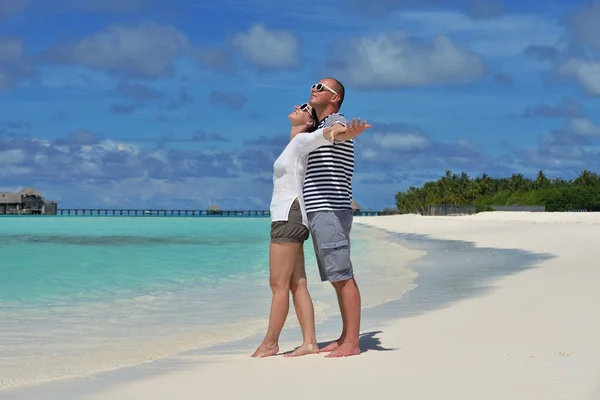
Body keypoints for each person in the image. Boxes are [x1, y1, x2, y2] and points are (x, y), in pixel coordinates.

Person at [251, 102, 370, 358]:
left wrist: (347, 133)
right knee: (297, 283)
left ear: (309, 120)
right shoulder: (298, 143)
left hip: (288, 215)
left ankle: (270, 343)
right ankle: (308, 342)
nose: (298, 105)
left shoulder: (303, 140)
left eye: (305, 107)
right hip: (293, 214)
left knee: (278, 284)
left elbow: (328, 132)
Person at [304, 77, 362, 357]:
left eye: (320, 88)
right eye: (313, 86)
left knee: (342, 275)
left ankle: (352, 341)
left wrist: (348, 133)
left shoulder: (334, 121)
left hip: (329, 208)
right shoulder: (318, 126)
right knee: (336, 275)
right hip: (321, 209)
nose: (313, 90)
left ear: (334, 97)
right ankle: (345, 335)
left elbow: (340, 132)